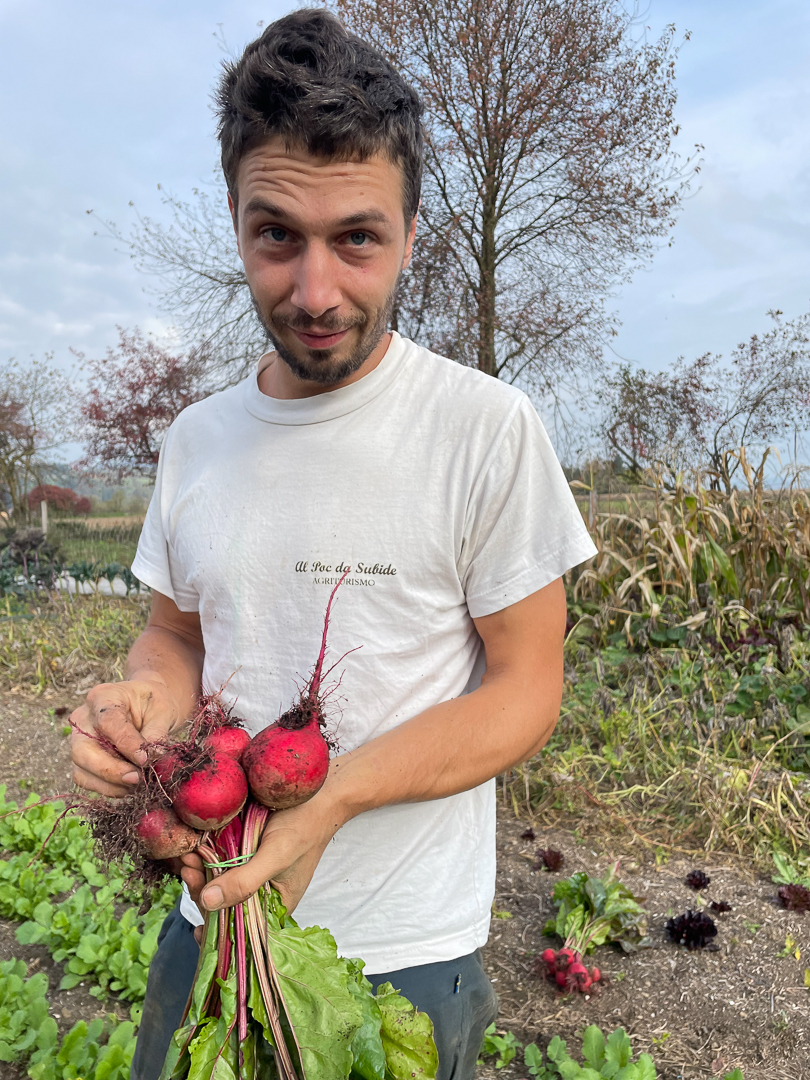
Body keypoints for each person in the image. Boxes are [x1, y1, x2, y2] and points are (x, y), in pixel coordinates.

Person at [70, 10, 597, 1080]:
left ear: (411, 229)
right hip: (204, 920)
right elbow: (174, 634)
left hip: (403, 955)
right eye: (277, 236)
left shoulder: (485, 429)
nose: (314, 293)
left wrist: (337, 794)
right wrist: (145, 715)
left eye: (357, 237)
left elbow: (526, 688)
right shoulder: (196, 440)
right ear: (235, 220)